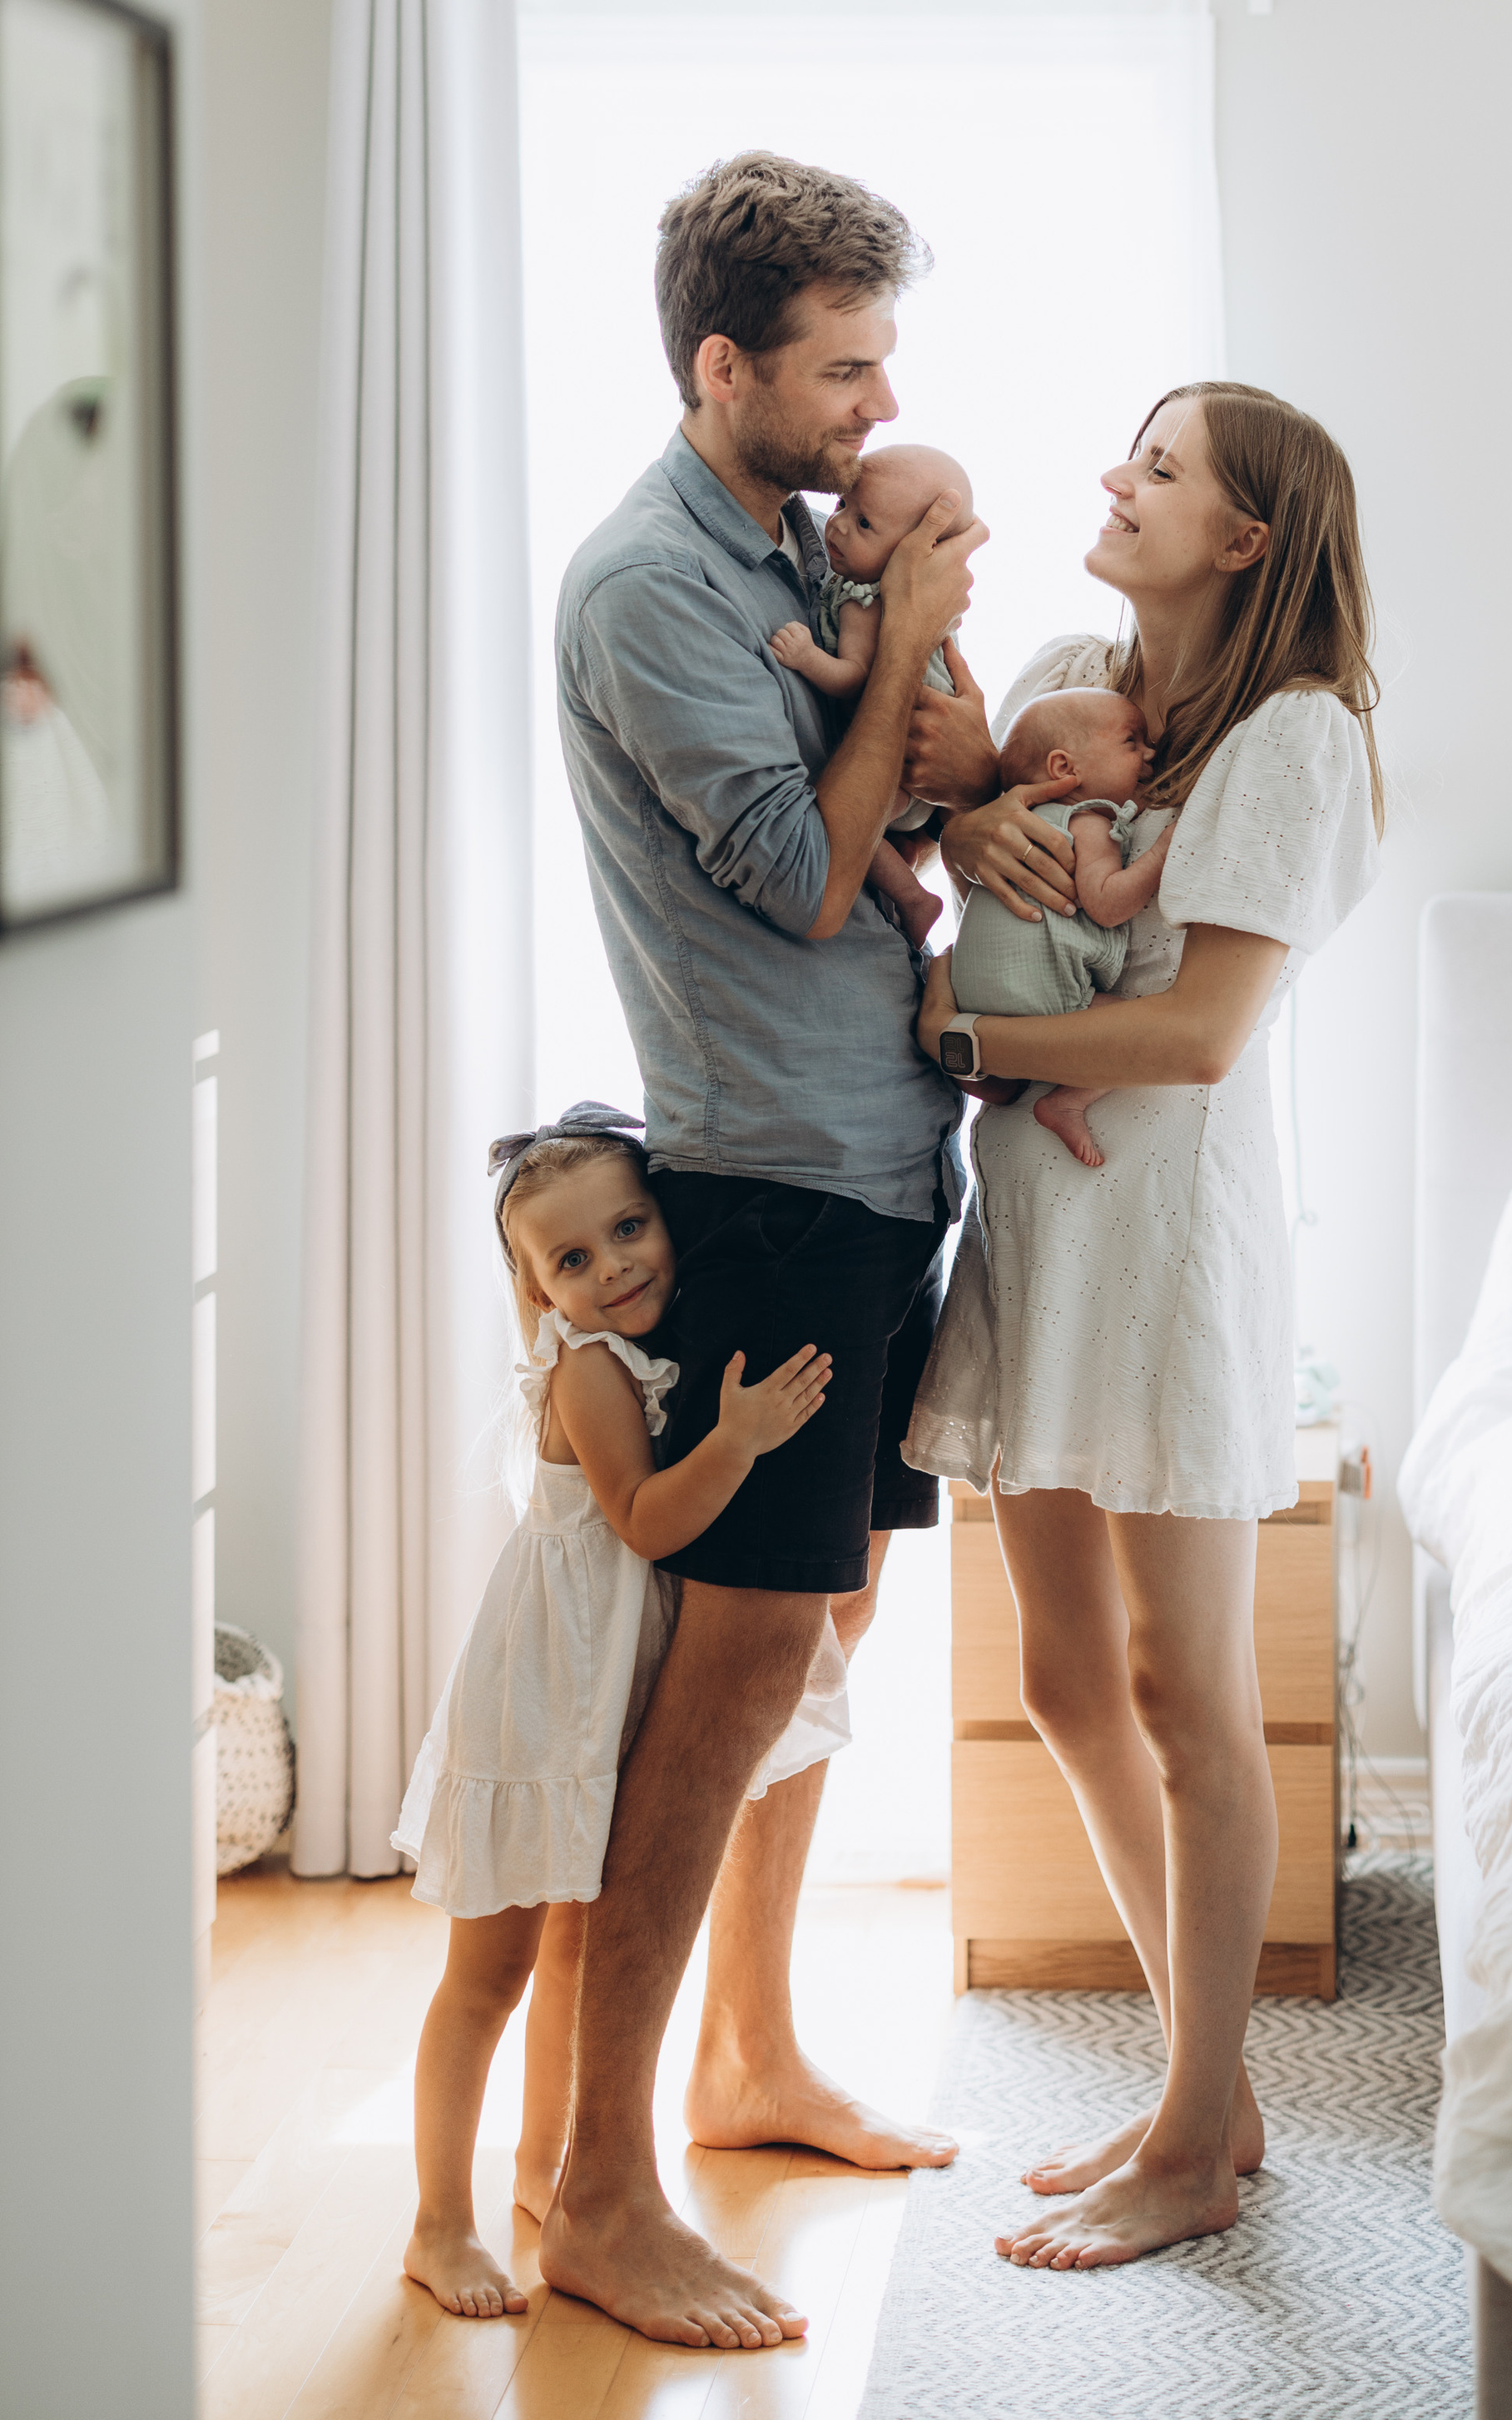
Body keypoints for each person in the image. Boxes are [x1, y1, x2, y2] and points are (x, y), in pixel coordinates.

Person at [542, 150, 982, 2350]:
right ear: (722, 366)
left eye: (880, 356)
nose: (873, 400)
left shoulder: (802, 542)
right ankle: (596, 2189)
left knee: (819, 1658)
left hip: (888, 1166)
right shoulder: (649, 590)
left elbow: (889, 820)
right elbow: (809, 886)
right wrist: (901, 657)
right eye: (840, 366)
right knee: (715, 1705)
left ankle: (754, 2055)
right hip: (772, 1188)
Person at [907, 379, 1384, 2272]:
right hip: (1032, 1226)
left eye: (1161, 466)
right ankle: (1208, 2086)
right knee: (1062, 1680)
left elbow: (1193, 1035)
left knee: (1189, 1692)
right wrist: (971, 821)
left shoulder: (1295, 739)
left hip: (1170, 1246)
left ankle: (1194, 2130)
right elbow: (961, 840)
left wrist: (958, 1039)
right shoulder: (1054, 668)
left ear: (1246, 536)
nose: (1115, 477)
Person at [394, 1105, 836, 2320]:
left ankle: (550, 2170)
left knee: (580, 1948)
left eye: (629, 1228)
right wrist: (740, 1443)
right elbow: (645, 1522)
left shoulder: (650, 1345)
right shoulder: (587, 1372)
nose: (615, 1267)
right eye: (572, 1262)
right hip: (542, 1701)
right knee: (490, 1970)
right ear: (537, 1292)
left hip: (597, 1690)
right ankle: (439, 2222)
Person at [946, 689, 1172, 1166]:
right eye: (1132, 742)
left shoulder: (1011, 827)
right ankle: (1065, 1101)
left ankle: (996, 1077)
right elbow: (1109, 904)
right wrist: (1165, 850)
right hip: (1039, 996)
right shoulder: (1088, 819)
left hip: (970, 995)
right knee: (1135, 1031)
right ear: (1064, 769)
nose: (1149, 753)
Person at [770, 439, 976, 945]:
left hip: (908, 767)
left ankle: (912, 897)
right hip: (920, 776)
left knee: (841, 831)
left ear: (914, 553)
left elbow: (854, 675)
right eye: (844, 504)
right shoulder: (882, 587)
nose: (836, 524)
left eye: (864, 524)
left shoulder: (863, 599)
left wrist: (806, 658)